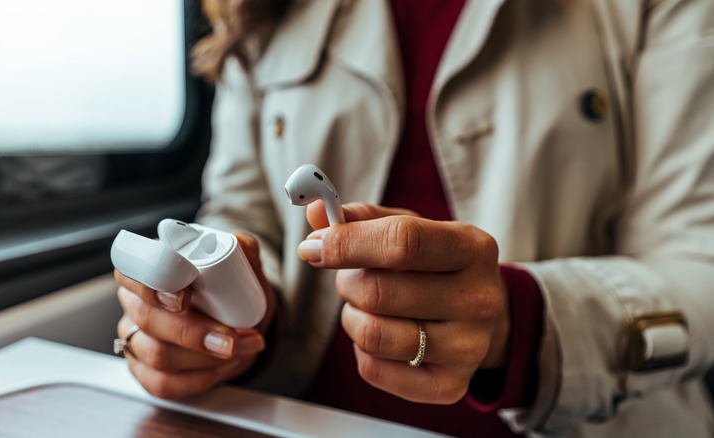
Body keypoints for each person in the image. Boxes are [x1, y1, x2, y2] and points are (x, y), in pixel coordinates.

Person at [113, 0, 714, 436]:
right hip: (297, 421)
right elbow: (242, 211)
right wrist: (234, 316)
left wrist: (517, 324)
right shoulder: (259, 11)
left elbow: (699, 264)